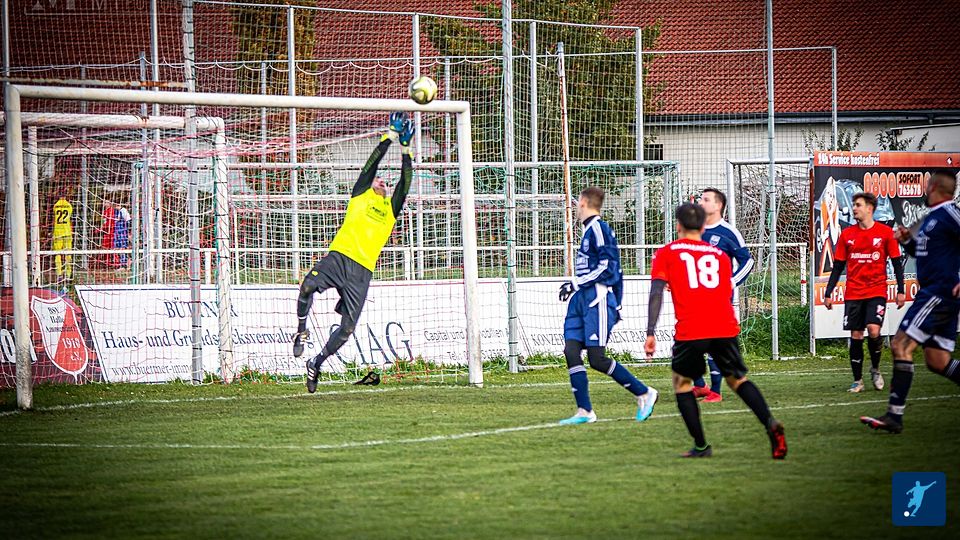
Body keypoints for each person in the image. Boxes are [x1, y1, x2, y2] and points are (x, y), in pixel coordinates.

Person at [645, 203, 787, 459]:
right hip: (724, 326)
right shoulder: (719, 255)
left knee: (682, 383)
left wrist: (650, 332)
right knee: (738, 380)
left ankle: (701, 446)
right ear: (702, 227)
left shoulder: (667, 252)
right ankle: (770, 423)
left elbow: (656, 293)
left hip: (692, 328)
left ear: (678, 226)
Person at [293, 112, 414, 393]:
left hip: (362, 272)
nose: (382, 182)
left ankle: (316, 363)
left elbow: (405, 183)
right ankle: (301, 331)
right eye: (378, 180)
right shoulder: (360, 195)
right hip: (339, 257)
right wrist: (389, 137)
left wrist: (406, 149)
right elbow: (371, 166)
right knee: (307, 285)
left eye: (385, 182)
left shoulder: (389, 211)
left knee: (347, 329)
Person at [861, 169, 960, 433]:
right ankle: (894, 417)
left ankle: (894, 416)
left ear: (935, 187)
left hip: (938, 293)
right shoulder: (932, 218)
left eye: (927, 186)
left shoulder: (950, 214)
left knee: (900, 345)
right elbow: (925, 253)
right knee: (938, 361)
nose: (924, 190)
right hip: (936, 293)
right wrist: (907, 242)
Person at [557, 186, 658, 425]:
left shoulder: (599, 229)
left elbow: (609, 267)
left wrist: (577, 283)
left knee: (597, 358)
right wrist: (576, 286)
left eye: (577, 202)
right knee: (571, 350)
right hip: (581, 299)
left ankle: (644, 393)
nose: (575, 207)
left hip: (597, 298)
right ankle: (584, 410)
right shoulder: (589, 231)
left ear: (583, 202)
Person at [823, 191, 905, 393]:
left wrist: (901, 290)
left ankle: (875, 368)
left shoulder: (885, 233)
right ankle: (857, 380)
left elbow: (897, 263)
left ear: (870, 208)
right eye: (854, 205)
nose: (854, 208)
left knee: (874, 329)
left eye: (858, 205)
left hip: (876, 291)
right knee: (856, 334)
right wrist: (828, 292)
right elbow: (838, 266)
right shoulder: (847, 235)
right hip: (853, 293)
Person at [691, 187, 754, 403]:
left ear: (718, 205)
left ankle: (716, 392)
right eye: (701, 199)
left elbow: (748, 261)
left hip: (717, 300)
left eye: (705, 199)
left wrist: (731, 282)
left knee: (713, 345)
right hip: (694, 298)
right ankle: (700, 386)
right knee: (686, 342)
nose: (701, 202)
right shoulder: (694, 230)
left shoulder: (728, 233)